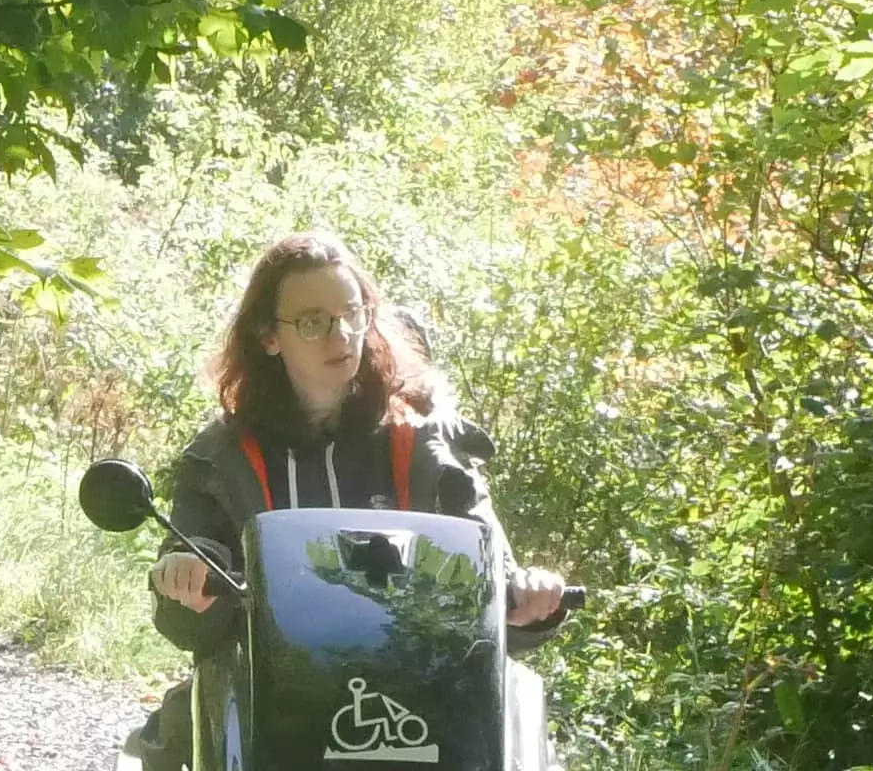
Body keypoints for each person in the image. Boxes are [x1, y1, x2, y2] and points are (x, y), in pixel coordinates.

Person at [144, 233, 569, 645]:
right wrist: (185, 580)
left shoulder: (428, 442)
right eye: (313, 322)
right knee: (189, 699)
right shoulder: (220, 457)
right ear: (269, 337)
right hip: (268, 686)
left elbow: (495, 587)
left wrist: (532, 600)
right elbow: (187, 625)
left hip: (423, 683)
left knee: (521, 695)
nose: (341, 335)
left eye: (351, 313)